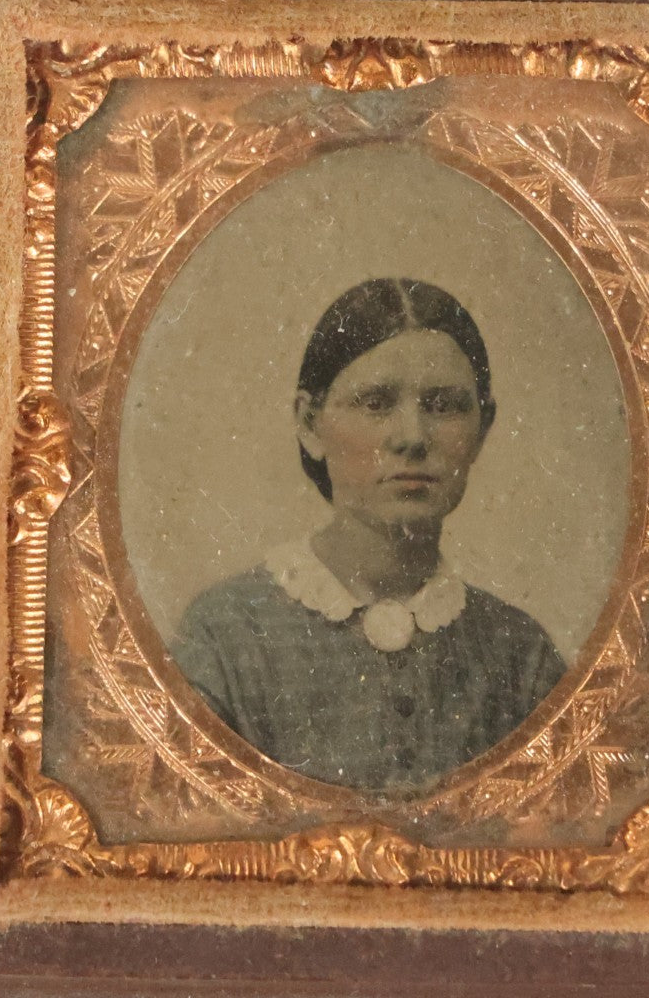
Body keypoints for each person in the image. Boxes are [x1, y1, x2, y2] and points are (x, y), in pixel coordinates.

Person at [171, 278, 565, 792]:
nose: (412, 437)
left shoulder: (522, 654)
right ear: (310, 424)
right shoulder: (222, 638)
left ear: (483, 427)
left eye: (444, 405)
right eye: (376, 402)